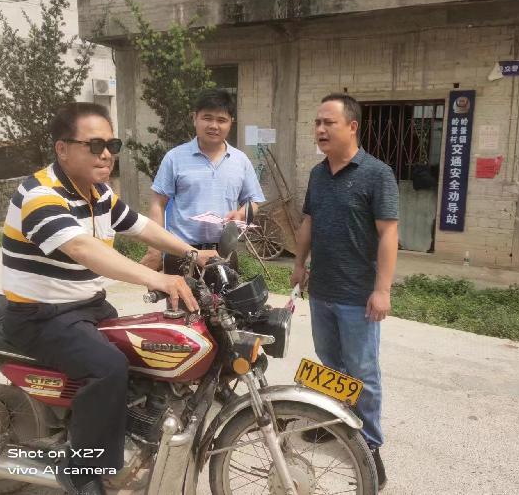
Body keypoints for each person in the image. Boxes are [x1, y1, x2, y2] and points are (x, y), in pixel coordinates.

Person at [1, 102, 216, 495]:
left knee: (147, 351)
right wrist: (158, 277)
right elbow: (83, 249)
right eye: (94, 145)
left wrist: (193, 253)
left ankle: (124, 435)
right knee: (108, 368)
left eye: (111, 145)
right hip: (41, 315)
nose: (106, 154)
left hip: (88, 305)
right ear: (62, 149)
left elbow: (142, 226)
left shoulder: (98, 193)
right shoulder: (40, 195)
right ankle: (82, 473)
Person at [291, 93, 399, 491]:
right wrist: (299, 263)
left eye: (329, 123)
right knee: (330, 364)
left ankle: (369, 445)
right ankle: (331, 421)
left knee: (363, 372)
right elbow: (309, 221)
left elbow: (388, 233)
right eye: (317, 123)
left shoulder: (377, 174)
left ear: (352, 127)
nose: (320, 130)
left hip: (358, 296)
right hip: (322, 290)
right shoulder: (318, 174)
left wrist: (382, 289)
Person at [141, 89, 265, 274]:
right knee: (181, 295)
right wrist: (154, 250)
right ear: (194, 118)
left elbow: (253, 202)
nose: (214, 126)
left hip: (223, 254)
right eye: (207, 118)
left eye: (221, 120)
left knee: (225, 295)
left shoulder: (240, 160)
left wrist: (240, 214)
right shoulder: (175, 158)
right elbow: (158, 204)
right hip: (182, 253)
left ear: (231, 123)